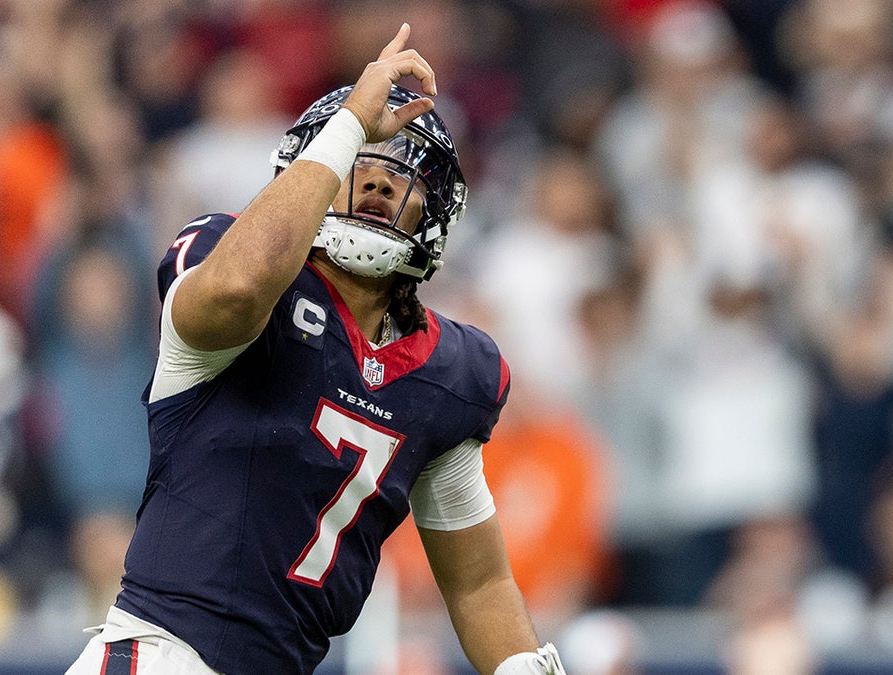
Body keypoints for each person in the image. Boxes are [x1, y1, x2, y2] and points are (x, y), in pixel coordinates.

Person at [66, 24, 563, 675]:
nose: (381, 184)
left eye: (404, 175)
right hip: (163, 655)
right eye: (361, 161)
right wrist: (353, 118)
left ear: (436, 210)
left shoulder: (450, 374)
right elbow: (244, 284)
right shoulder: (230, 263)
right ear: (313, 169)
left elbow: (477, 583)